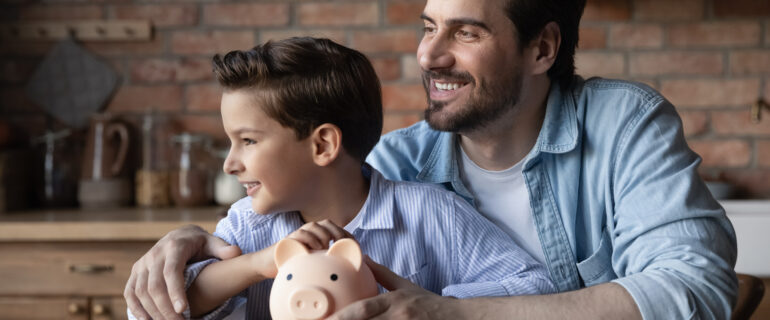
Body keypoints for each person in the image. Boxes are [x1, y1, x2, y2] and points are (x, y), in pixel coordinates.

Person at [125, 0, 739, 318]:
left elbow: (694, 293)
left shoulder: (623, 123)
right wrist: (192, 242)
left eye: (466, 33)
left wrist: (457, 315)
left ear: (542, 48)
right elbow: (305, 193)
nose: (429, 56)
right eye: (428, 26)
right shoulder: (397, 163)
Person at [126, 37, 554, 319]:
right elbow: (176, 305)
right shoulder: (247, 226)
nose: (230, 163)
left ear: (322, 145)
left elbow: (534, 285)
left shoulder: (431, 212)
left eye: (248, 141)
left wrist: (439, 306)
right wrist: (258, 264)